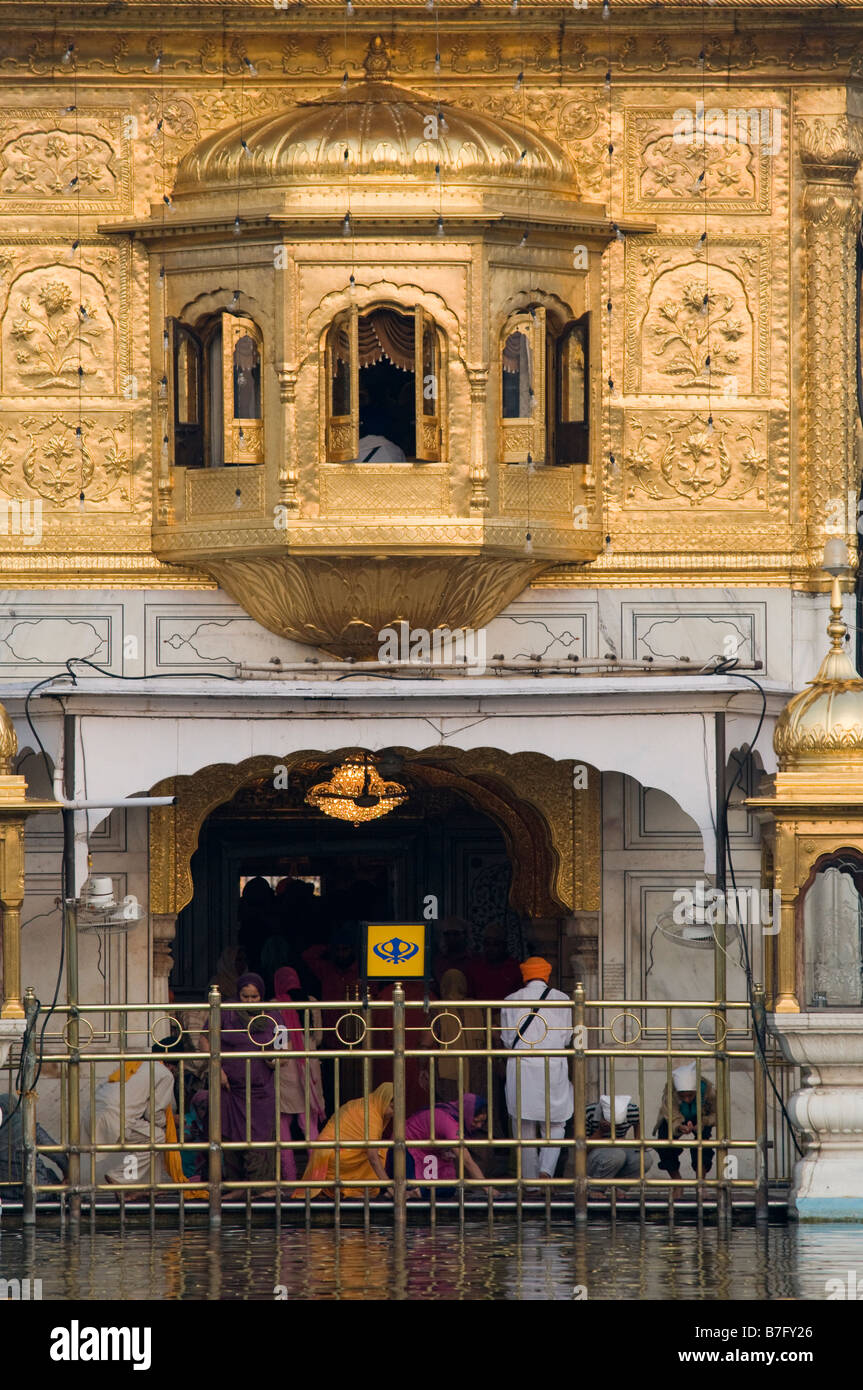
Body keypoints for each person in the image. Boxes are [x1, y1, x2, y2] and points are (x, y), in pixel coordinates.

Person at [500, 957, 574, 1186]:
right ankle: (546, 1172)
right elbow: (567, 1036)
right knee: (556, 1123)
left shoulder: (510, 1000)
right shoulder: (563, 999)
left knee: (523, 1125)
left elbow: (506, 1039)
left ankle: (530, 1183)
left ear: (525, 975)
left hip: (522, 1065)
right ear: (546, 975)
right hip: (553, 1065)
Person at [218, 972, 277, 1193]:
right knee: (230, 1135)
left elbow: (282, 1048)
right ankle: (236, 1185)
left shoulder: (272, 1015)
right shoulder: (226, 1012)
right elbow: (206, 1038)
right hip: (231, 1091)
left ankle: (259, 1187)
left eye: (254, 997)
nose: (250, 1001)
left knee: (259, 1139)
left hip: (260, 1093)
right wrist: (217, 1068)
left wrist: (274, 1060)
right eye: (245, 997)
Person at [293, 1082, 394, 1199]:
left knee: (383, 1148)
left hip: (327, 1153)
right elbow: (372, 1156)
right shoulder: (372, 1116)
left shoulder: (367, 1104)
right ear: (384, 1100)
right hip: (333, 1156)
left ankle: (345, 1188)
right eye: (392, 1107)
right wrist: (389, 1186)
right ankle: (356, 1190)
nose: (393, 1113)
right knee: (384, 1152)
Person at [273, 965, 326, 1181]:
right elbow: (320, 1036)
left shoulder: (275, 1005)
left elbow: (278, 1043)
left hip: (286, 1068)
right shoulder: (311, 1001)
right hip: (309, 1064)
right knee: (309, 1124)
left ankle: (290, 1177)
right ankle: (317, 1176)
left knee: (283, 1124)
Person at [400, 1094, 496, 1197]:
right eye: (476, 1121)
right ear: (467, 1114)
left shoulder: (452, 1113)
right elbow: (467, 1161)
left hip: (426, 1151)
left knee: (448, 1187)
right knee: (443, 1188)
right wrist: (487, 1188)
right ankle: (412, 1193)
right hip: (405, 1151)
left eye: (482, 1122)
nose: (479, 1126)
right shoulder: (450, 1122)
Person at [652, 1063, 717, 1181]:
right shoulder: (671, 1091)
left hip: (701, 1117)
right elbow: (670, 1113)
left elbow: (717, 1113)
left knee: (702, 1145)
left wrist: (703, 1122)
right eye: (683, 1096)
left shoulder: (707, 1091)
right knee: (664, 1143)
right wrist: (678, 1126)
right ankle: (677, 1181)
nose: (687, 1099)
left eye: (690, 1095)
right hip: (677, 1117)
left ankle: (700, 1183)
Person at [433, 969, 487, 1103]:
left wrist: (423, 1067)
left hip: (450, 1069)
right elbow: (493, 1034)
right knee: (476, 1108)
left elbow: (426, 1040)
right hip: (477, 1067)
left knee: (452, 1107)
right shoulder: (477, 1007)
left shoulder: (438, 1008)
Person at [0, 1092, 68, 1198]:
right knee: (51, 1177)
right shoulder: (25, 1125)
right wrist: (68, 1172)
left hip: (6, 1194)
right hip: (37, 1191)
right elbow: (56, 1152)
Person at [586, 1093, 653, 1188]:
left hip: (619, 1147)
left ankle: (621, 1187)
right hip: (595, 1154)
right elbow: (583, 1150)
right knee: (616, 1154)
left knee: (644, 1158)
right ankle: (596, 1188)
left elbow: (638, 1128)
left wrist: (640, 1142)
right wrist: (600, 1132)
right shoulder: (589, 1112)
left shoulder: (632, 1111)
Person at [466, 923, 522, 1001]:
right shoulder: (475, 967)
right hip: (480, 1012)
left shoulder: (515, 968)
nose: (491, 948)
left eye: (496, 944)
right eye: (487, 944)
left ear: (504, 946)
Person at [432, 917, 473, 991]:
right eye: (447, 934)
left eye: (456, 934)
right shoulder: (438, 961)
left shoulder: (474, 961)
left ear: (465, 935)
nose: (451, 938)